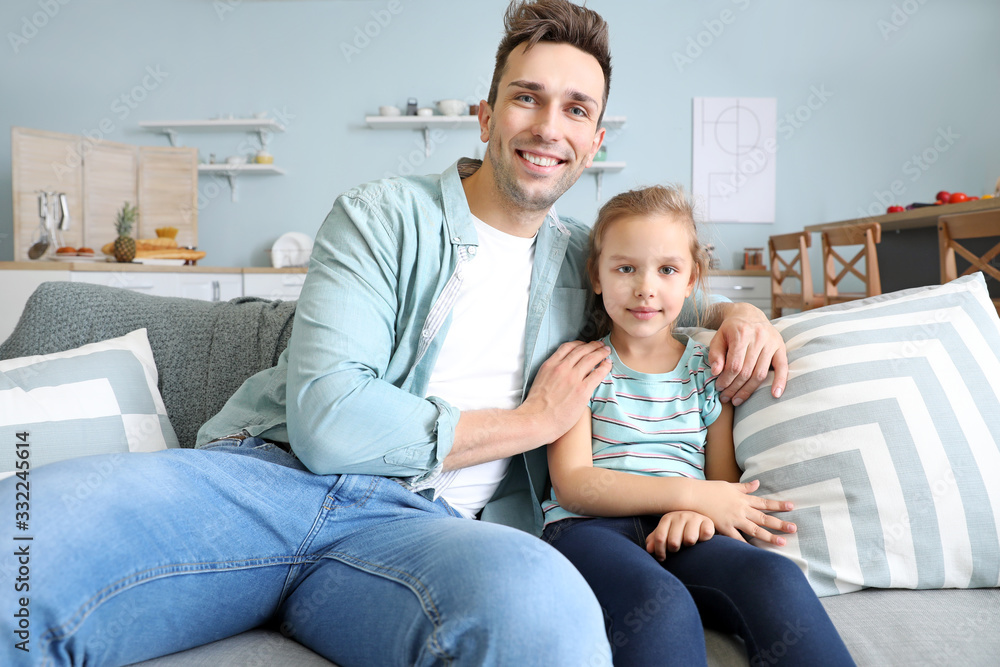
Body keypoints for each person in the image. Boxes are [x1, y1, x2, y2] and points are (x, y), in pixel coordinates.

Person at [0, 2, 789, 665]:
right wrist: (530, 422)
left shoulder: (587, 259)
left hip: (430, 536)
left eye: (576, 109)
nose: (549, 125)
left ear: (593, 142)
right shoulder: (380, 215)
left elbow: (661, 306)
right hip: (266, 482)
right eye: (527, 97)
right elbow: (329, 420)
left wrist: (737, 315)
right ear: (485, 115)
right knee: (20, 539)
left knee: (544, 613)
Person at [542, 185, 854, 666]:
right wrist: (687, 495)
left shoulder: (708, 368)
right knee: (659, 605)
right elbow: (575, 486)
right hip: (588, 530)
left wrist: (700, 512)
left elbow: (721, 482)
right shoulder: (578, 367)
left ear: (692, 282)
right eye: (625, 268)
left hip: (685, 528)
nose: (646, 287)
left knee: (775, 577)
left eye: (667, 270)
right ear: (597, 277)